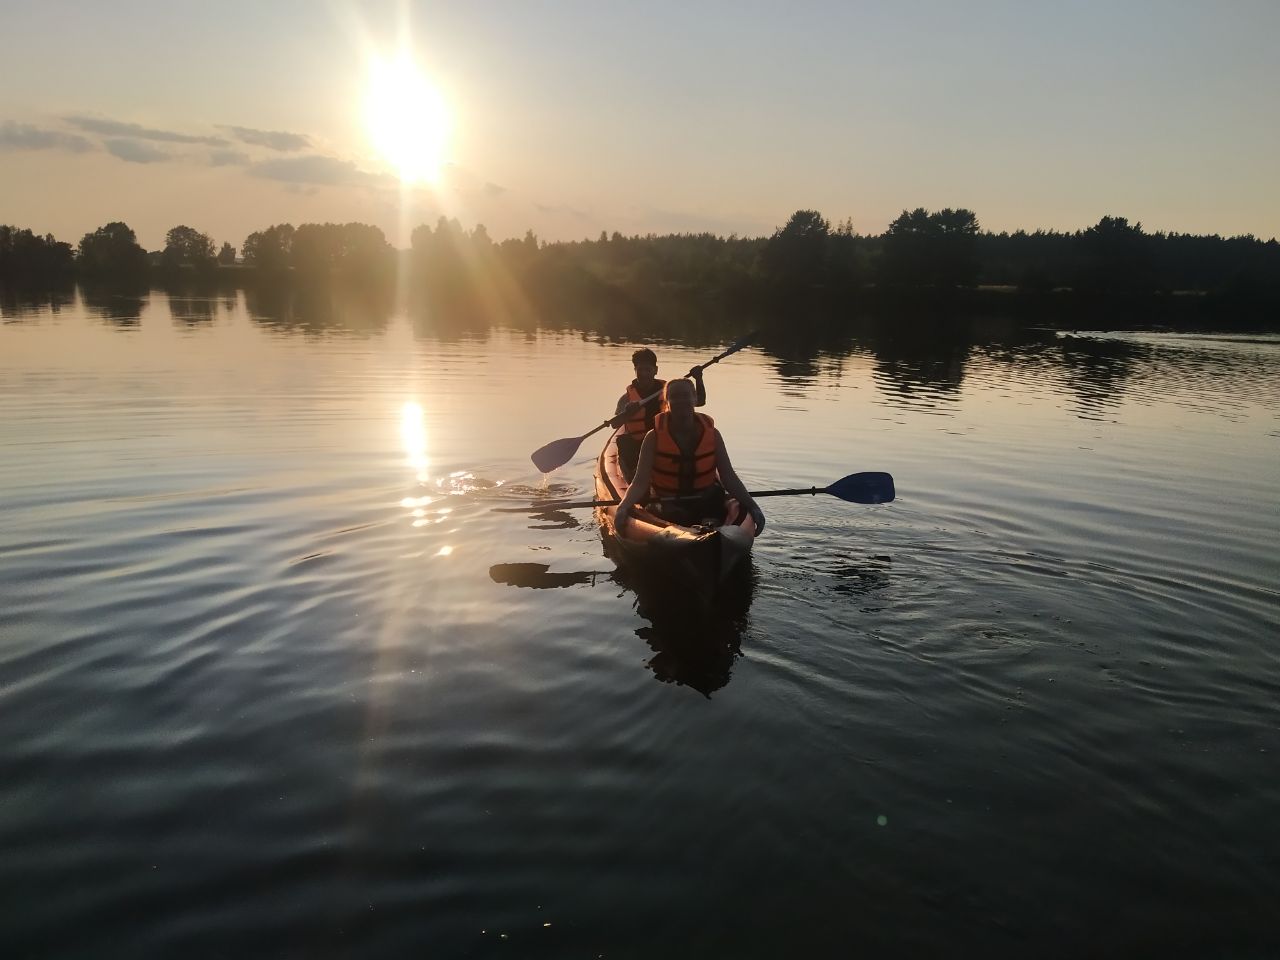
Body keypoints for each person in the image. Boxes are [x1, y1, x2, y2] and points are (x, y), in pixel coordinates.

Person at [615, 377, 765, 533]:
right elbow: (640, 482)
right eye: (675, 396)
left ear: (694, 398)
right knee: (673, 513)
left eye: (685, 395)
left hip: (704, 500)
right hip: (667, 501)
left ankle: (709, 525)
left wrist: (752, 506)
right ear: (667, 401)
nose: (681, 400)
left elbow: (728, 476)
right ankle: (697, 528)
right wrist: (623, 507)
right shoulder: (653, 437)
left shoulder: (713, 434)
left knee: (715, 495)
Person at [610, 348, 706, 478]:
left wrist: (698, 379)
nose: (643, 374)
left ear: (655, 370)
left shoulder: (668, 392)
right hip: (637, 447)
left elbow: (699, 401)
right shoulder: (626, 398)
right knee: (624, 442)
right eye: (640, 370)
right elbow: (615, 425)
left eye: (647, 370)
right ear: (635, 370)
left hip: (665, 442)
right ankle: (634, 479)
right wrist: (628, 413)